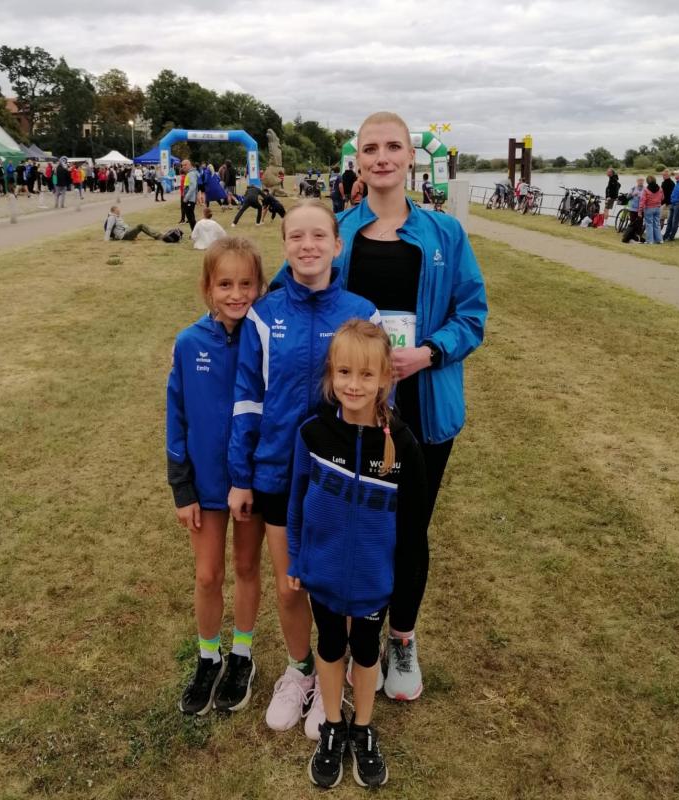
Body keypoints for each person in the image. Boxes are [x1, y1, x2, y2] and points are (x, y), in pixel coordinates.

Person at [327, 111, 486, 702]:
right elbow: (300, 294)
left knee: (410, 530)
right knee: (356, 525)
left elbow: (472, 315)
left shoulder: (444, 233)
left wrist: (428, 352)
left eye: (393, 146)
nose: (382, 157)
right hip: (353, 411)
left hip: (423, 408)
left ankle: (402, 639)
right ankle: (356, 638)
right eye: (371, 148)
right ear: (358, 159)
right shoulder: (339, 232)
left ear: (411, 157)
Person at [227, 200, 380, 735]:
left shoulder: (362, 313)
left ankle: (332, 676)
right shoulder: (263, 315)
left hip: (339, 478)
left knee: (335, 588)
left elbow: (380, 399)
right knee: (290, 586)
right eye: (297, 236)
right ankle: (299, 671)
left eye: (319, 235)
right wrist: (241, 476)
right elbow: (248, 399)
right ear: (285, 246)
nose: (308, 245)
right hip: (276, 473)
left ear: (337, 245)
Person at [288, 320, 427, 788]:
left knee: (365, 651)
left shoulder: (403, 446)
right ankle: (332, 725)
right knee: (330, 644)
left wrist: (401, 581)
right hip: (323, 573)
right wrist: (296, 558)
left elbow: (413, 529)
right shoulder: (313, 434)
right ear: (331, 373)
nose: (353, 384)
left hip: (372, 581)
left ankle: (363, 728)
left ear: (386, 378)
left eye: (367, 375)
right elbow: (295, 502)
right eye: (344, 372)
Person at [167, 237, 267, 715]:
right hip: (204, 487)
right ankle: (209, 657)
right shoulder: (189, 343)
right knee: (208, 574)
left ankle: (242, 654)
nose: (236, 294)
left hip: (251, 481)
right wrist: (181, 488)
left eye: (246, 283)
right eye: (225, 284)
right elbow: (177, 418)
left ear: (260, 286)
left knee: (247, 567)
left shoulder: (265, 340)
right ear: (207, 287)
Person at [639, 175, 664, 245]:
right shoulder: (660, 188)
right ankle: (659, 240)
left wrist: (640, 210)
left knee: (649, 224)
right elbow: (662, 198)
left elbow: (642, 200)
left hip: (649, 208)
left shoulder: (646, 190)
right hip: (657, 208)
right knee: (657, 224)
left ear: (647, 181)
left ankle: (650, 240)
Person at [622, 177, 646, 243]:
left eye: (642, 180)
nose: (641, 182)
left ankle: (638, 236)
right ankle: (630, 236)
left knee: (640, 223)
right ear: (637, 181)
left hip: (641, 209)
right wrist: (633, 195)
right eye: (639, 180)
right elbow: (628, 197)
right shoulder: (633, 188)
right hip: (633, 209)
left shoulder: (645, 189)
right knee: (632, 223)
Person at [182, 160, 199, 230]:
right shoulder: (190, 173)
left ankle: (195, 233)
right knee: (191, 217)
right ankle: (195, 233)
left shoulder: (191, 174)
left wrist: (186, 198)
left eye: (185, 165)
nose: (183, 167)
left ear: (190, 165)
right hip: (190, 199)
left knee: (191, 218)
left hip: (189, 199)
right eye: (182, 165)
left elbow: (193, 187)